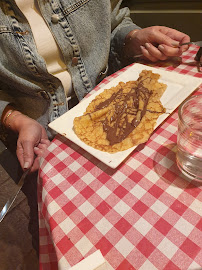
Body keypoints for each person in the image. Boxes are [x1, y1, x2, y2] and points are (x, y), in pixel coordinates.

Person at [0, 0, 190, 173]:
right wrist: (15, 119)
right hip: (39, 136)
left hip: (119, 107)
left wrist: (133, 38)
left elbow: (114, 24)